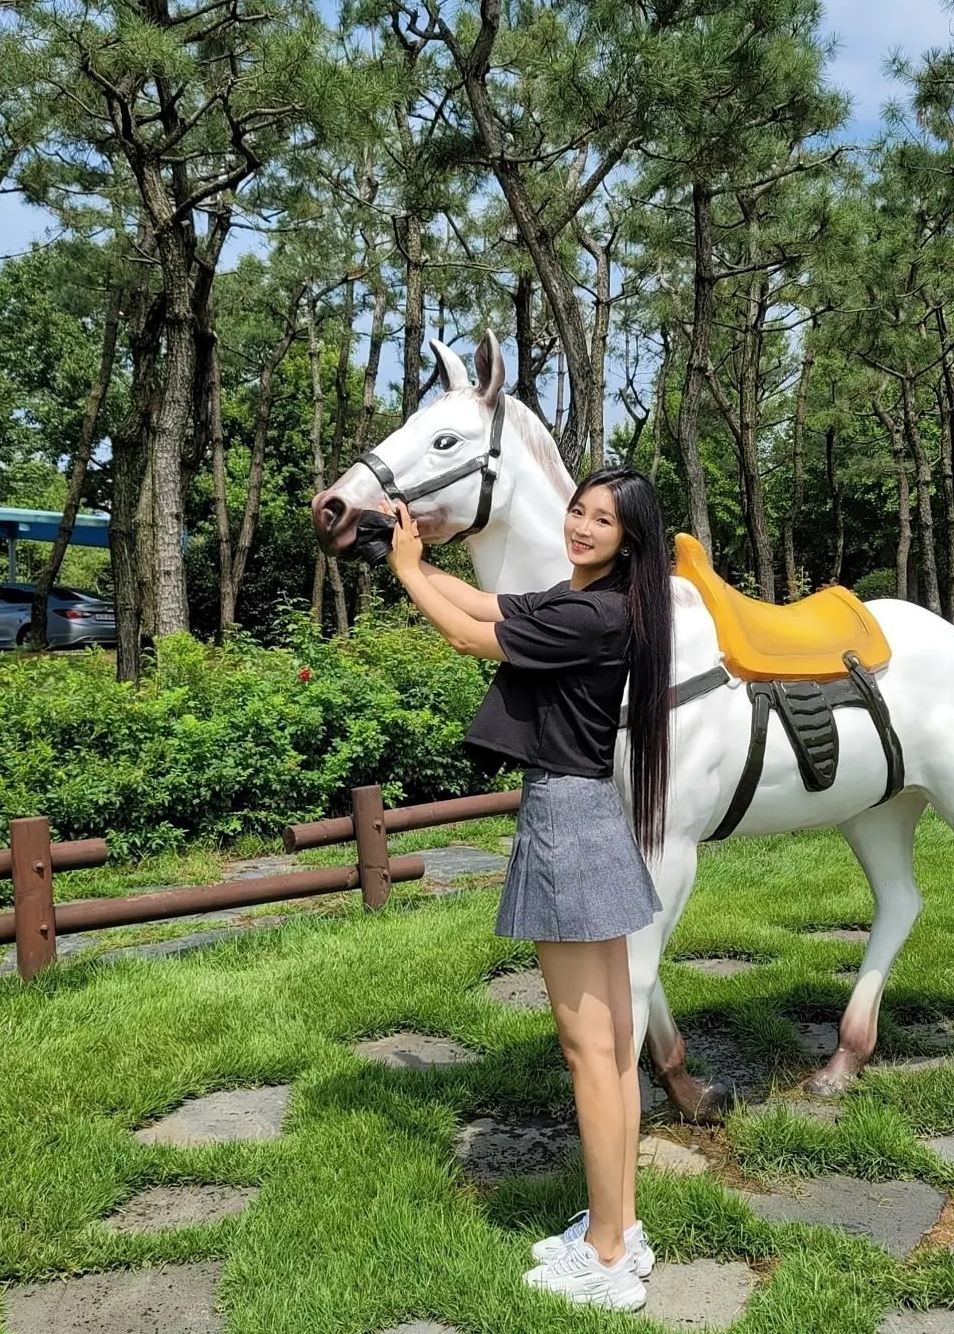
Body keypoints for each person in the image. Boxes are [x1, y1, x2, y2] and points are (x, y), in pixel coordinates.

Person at [385, 466, 673, 1313]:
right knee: (613, 1046)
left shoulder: (592, 615)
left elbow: (467, 638)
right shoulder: (590, 599)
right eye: (578, 510)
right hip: (592, 819)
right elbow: (484, 605)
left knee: (590, 1052)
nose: (581, 526)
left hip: (566, 823)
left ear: (630, 541)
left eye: (603, 521)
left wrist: (405, 574)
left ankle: (607, 1255)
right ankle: (619, 1226)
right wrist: (415, 556)